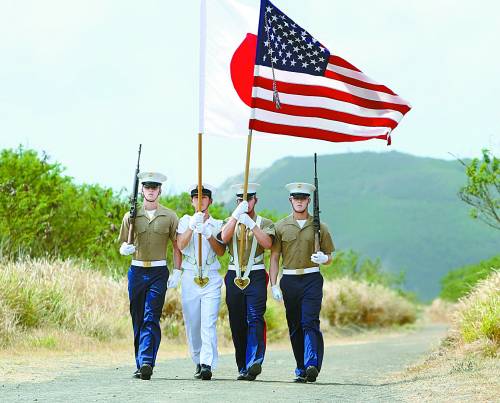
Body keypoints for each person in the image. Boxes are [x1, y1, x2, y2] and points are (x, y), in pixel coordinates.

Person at [269, 183, 335, 383]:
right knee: (295, 325)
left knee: (309, 321)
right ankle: (301, 368)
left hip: (311, 278)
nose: (299, 201)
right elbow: (274, 257)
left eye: (303, 198)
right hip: (289, 280)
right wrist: (274, 284)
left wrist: (324, 258)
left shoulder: (320, 227)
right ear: (290, 200)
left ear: (309, 200)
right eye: (296, 198)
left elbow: (330, 257)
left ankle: (311, 363)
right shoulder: (280, 226)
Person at [118, 172, 181, 380]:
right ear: (142, 190)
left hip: (158, 272)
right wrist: (124, 249)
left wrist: (177, 270)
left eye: (154, 187)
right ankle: (141, 363)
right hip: (137, 270)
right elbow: (122, 241)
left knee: (150, 316)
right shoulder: (131, 216)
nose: (151, 190)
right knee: (137, 316)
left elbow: (177, 245)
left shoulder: (170, 216)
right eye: (147, 187)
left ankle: (147, 361)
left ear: (160, 190)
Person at [168, 184, 225, 380]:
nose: (200, 201)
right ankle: (198, 359)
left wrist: (208, 234)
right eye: (196, 198)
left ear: (210, 201)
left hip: (211, 275)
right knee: (193, 323)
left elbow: (221, 251)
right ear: (192, 201)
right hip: (190, 275)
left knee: (208, 322)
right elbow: (180, 245)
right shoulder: (185, 221)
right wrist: (192, 227)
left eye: (204, 198)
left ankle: (207, 363)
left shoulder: (217, 224)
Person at [218, 183, 275, 381]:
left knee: (255, 318)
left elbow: (268, 243)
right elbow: (223, 238)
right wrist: (236, 216)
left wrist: (251, 225)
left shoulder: (264, 222)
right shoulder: (229, 221)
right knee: (237, 321)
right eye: (241, 200)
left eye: (249, 199)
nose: (245, 203)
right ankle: (242, 366)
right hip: (234, 274)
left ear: (255, 200)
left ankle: (254, 362)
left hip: (256, 274)